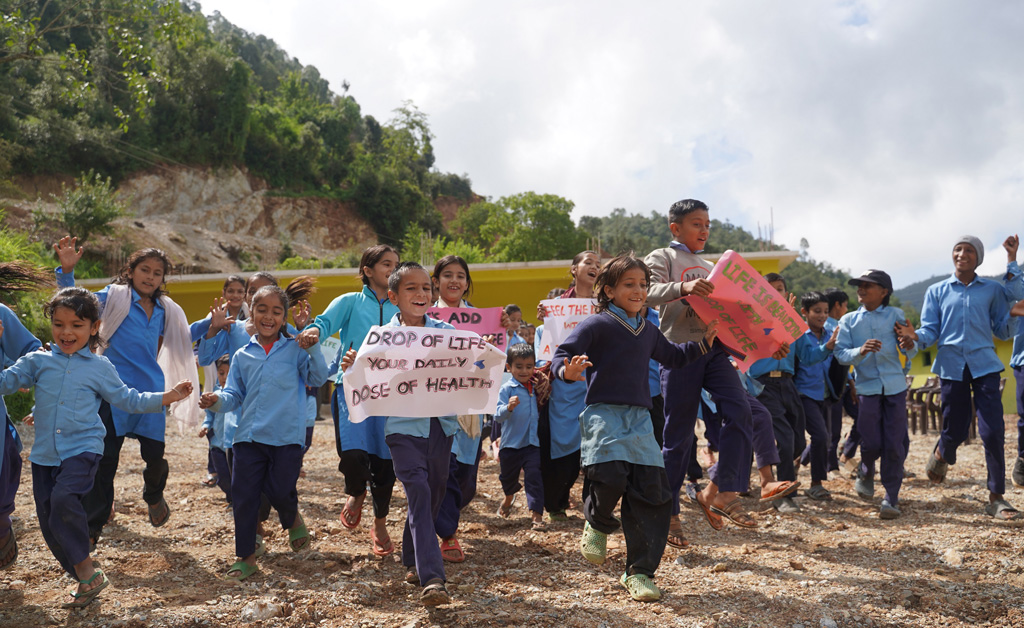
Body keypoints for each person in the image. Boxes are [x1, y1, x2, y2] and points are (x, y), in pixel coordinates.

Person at [0, 287, 192, 608]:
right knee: (49, 521)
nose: (66, 332)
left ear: (94, 327)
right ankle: (85, 576)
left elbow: (128, 398)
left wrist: (167, 396)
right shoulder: (37, 362)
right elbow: (5, 382)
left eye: (76, 324)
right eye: (59, 324)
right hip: (45, 455)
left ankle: (87, 571)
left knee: (63, 500)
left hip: (83, 450)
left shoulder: (100, 368)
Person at [553, 253, 716, 602]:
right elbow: (561, 355)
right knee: (609, 475)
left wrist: (703, 344)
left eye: (643, 284)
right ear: (609, 291)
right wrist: (567, 371)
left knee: (653, 493)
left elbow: (674, 356)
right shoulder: (596, 325)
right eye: (629, 284)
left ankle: (639, 572)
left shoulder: (649, 330)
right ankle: (596, 522)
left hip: (640, 418)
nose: (639, 290)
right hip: (604, 413)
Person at [645, 200, 783, 530]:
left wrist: (771, 342)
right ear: (675, 228)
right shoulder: (662, 257)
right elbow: (646, 292)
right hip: (679, 351)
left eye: (708, 224)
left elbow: (734, 317)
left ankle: (722, 493)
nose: (704, 230)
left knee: (742, 412)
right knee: (678, 436)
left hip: (715, 351)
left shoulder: (713, 265)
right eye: (696, 224)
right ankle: (670, 509)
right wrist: (683, 287)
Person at [53, 237, 200, 545]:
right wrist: (66, 272)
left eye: (157, 273)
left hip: (151, 390)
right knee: (105, 461)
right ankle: (93, 528)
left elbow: (182, 337)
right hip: (111, 391)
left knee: (155, 457)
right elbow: (77, 303)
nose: (150, 276)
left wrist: (210, 326)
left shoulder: (165, 310)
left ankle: (154, 494)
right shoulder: (115, 298)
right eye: (144, 269)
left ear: (163, 279)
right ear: (130, 271)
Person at [340, 262, 460, 606]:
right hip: (402, 430)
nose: (421, 294)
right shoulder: (379, 340)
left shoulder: (446, 333)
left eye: (426, 288)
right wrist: (352, 367)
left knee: (432, 496)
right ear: (393, 296)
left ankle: (411, 557)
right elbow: (362, 380)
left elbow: (468, 367)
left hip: (441, 426)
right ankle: (433, 578)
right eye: (411, 288)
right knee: (419, 492)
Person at [199, 284, 328, 580]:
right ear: (251, 312)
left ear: (284, 318)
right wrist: (216, 401)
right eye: (262, 310)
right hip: (248, 438)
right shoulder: (243, 356)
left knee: (281, 488)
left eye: (276, 311)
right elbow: (234, 395)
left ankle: (292, 517)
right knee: (244, 497)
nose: (268, 317)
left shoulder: (296, 347)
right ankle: (246, 557)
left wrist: (313, 345)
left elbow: (318, 377)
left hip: (286, 438)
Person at [903, 235, 1022, 520]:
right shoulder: (937, 291)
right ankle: (943, 452)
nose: (962, 253)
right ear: (952, 255)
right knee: (955, 427)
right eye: (958, 249)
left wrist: (1011, 260)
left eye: (969, 250)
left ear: (977, 258)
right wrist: (915, 338)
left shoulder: (992, 290)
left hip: (985, 365)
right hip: (951, 365)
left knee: (992, 431)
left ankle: (996, 497)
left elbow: (1004, 330)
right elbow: (930, 330)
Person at [296, 245, 399, 557]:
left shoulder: (404, 304)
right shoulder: (349, 302)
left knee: (385, 464)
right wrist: (312, 331)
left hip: (393, 392)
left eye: (397, 265)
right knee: (353, 454)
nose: (393, 270)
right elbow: (324, 324)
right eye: (386, 264)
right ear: (368, 270)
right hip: (350, 387)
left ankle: (379, 524)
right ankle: (355, 492)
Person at [833, 270, 917, 519]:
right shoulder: (848, 321)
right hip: (867, 389)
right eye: (859, 285)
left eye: (868, 285)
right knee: (870, 440)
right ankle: (866, 470)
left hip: (895, 388)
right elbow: (840, 355)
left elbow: (910, 348)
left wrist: (910, 345)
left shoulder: (896, 315)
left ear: (884, 291)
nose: (861, 288)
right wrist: (860, 350)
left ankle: (891, 497)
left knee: (893, 443)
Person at [538, 252, 600, 522]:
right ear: (574, 269)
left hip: (597, 385)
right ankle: (555, 504)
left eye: (599, 265)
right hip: (564, 388)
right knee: (562, 449)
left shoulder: (607, 304)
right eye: (589, 262)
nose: (594, 267)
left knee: (597, 450)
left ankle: (595, 510)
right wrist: (547, 318)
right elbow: (548, 350)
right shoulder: (556, 307)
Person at [0, 262, 50, 571]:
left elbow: (30, 351)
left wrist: (21, 369)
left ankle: (2, 525)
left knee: (8, 464)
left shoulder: (1, 313)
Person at [194, 275, 246, 487]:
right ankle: (214, 469)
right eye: (230, 291)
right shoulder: (215, 315)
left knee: (236, 426)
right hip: (218, 374)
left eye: (239, 291)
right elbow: (201, 341)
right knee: (215, 422)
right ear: (224, 293)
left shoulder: (252, 316)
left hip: (241, 377)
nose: (235, 295)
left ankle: (236, 476)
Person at [793, 291, 840, 500]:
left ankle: (797, 466)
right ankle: (816, 483)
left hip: (825, 393)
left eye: (826, 312)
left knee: (824, 438)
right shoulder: (798, 335)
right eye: (817, 311)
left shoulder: (831, 334)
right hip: (803, 393)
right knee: (819, 436)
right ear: (804, 312)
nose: (822, 316)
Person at [495, 343, 545, 531]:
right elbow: (497, 416)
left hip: (532, 444)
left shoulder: (538, 386)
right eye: (519, 366)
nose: (524, 371)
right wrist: (508, 407)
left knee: (534, 477)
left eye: (529, 366)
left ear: (534, 367)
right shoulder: (507, 389)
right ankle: (509, 497)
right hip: (511, 445)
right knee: (507, 478)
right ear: (509, 367)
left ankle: (537, 515)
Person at [198, 354, 238, 503]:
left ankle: (235, 502)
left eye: (229, 373)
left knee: (236, 476)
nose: (224, 377)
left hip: (233, 445)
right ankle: (231, 498)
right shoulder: (214, 394)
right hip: (216, 444)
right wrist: (205, 426)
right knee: (222, 477)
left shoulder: (238, 395)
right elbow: (210, 416)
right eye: (221, 373)